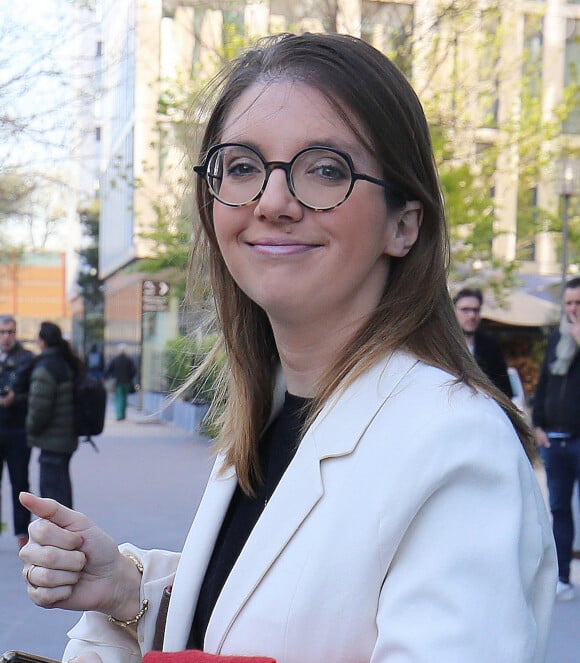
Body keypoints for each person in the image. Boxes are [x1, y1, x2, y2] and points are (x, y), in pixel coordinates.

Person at [20, 33, 556, 662]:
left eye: (325, 168)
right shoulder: (275, 409)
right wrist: (133, 591)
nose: (273, 202)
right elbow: (293, 614)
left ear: (404, 223)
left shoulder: (457, 443)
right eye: (243, 166)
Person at [533, 276, 580, 602]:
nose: (573, 309)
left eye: (578, 303)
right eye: (568, 303)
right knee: (559, 510)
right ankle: (562, 576)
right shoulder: (557, 339)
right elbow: (545, 382)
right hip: (555, 441)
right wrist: (537, 427)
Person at [26, 321, 83, 509]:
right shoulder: (67, 362)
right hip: (66, 437)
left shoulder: (46, 368)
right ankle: (68, 530)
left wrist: (30, 430)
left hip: (52, 440)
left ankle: (61, 535)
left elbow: (39, 409)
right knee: (62, 490)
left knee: (52, 496)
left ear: (42, 342)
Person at [0, 314, 34, 550]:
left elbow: (35, 394)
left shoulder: (27, 358)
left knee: (19, 482)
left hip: (18, 429)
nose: (6, 337)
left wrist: (15, 398)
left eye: (10, 332)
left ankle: (22, 532)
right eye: (2, 332)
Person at [453, 287, 513, 397]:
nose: (472, 315)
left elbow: (505, 390)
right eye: (465, 310)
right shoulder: (445, 346)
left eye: (476, 310)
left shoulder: (491, 348)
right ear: (453, 311)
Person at [105, 344, 137, 420]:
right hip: (127, 382)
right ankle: (123, 414)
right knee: (124, 398)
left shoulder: (115, 359)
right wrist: (130, 377)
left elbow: (108, 370)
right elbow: (134, 371)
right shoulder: (129, 360)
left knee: (118, 398)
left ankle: (119, 415)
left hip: (117, 382)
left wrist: (107, 378)